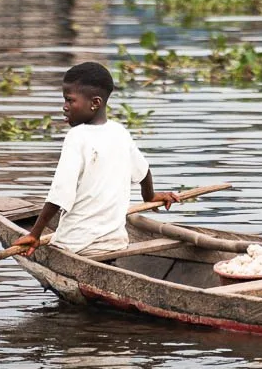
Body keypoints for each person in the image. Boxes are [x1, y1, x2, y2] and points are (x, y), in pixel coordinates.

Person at [14, 61, 176, 256]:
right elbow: (144, 171)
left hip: (75, 245)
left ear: (95, 103)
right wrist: (149, 196)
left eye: (70, 100)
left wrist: (35, 234)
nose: (64, 107)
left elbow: (60, 194)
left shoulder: (77, 137)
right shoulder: (119, 132)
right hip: (115, 244)